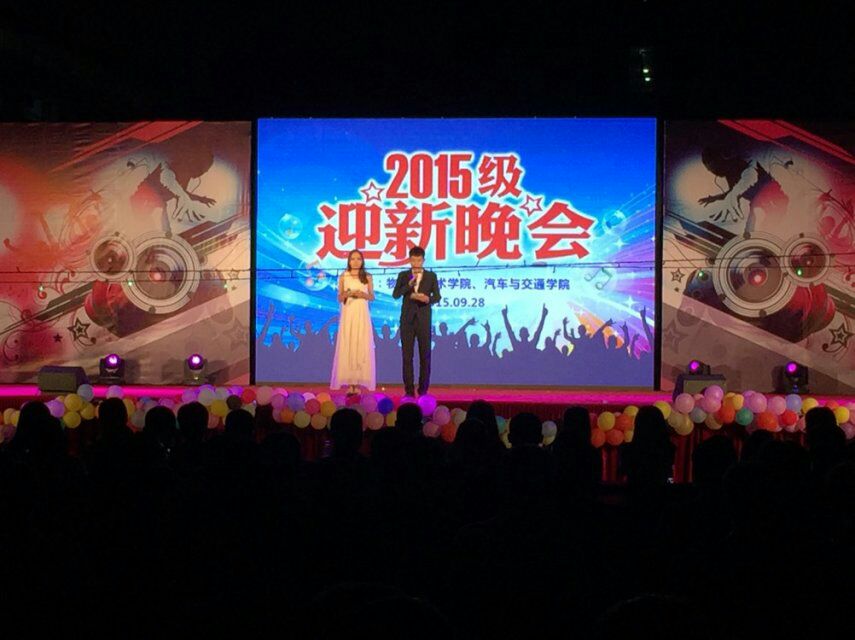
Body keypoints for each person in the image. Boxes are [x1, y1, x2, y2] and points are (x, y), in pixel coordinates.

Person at [392, 246, 442, 397]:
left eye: (419, 260)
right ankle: (409, 391)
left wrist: (427, 299)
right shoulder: (403, 275)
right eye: (413, 260)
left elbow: (437, 296)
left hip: (423, 320)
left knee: (425, 356)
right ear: (409, 260)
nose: (416, 263)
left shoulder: (431, 276)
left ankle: (423, 390)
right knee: (407, 357)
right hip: (407, 320)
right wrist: (408, 286)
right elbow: (395, 294)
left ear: (423, 260)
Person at [331, 249, 376, 394]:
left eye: (358, 259)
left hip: (361, 314)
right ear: (349, 261)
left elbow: (372, 297)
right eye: (353, 259)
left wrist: (362, 294)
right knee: (348, 344)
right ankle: (350, 383)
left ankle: (358, 382)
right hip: (348, 313)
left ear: (362, 261)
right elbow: (339, 298)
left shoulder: (367, 276)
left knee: (360, 344)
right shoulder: (344, 276)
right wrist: (347, 293)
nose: (355, 262)